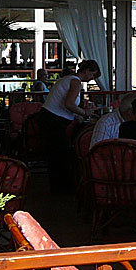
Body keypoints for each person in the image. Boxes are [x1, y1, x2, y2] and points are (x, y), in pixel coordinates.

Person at [39, 59, 101, 193]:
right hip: (53, 121)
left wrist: (77, 115)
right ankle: (62, 189)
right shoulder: (75, 82)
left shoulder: (67, 79)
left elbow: (65, 105)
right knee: (60, 155)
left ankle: (58, 188)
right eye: (93, 74)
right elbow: (69, 104)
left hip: (49, 118)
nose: (92, 78)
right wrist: (84, 113)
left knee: (56, 154)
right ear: (86, 71)